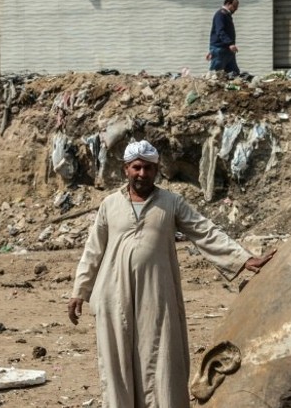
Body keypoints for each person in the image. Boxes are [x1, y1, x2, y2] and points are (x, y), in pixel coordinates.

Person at [67, 140, 275, 408]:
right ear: (126, 169)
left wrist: (243, 258)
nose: (142, 174)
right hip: (112, 296)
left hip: (157, 295)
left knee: (160, 357)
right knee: (116, 363)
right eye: (137, 167)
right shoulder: (109, 205)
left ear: (157, 170)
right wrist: (78, 292)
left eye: (149, 168)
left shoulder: (171, 203)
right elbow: (93, 250)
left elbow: (204, 231)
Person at [208, 0, 240, 76]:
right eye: (234, 6)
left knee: (234, 73)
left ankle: (231, 88)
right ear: (228, 4)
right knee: (215, 74)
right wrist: (230, 43)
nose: (236, 9)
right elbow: (220, 31)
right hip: (220, 49)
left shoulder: (226, 15)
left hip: (227, 51)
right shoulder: (220, 14)